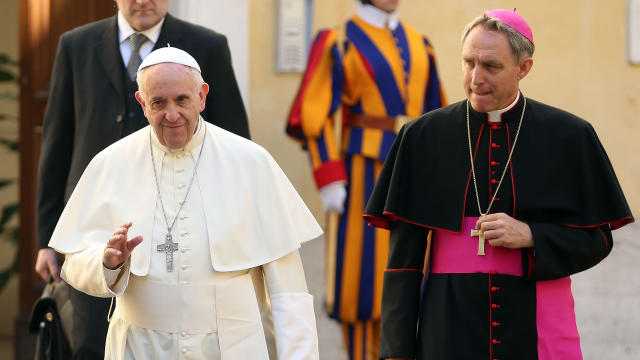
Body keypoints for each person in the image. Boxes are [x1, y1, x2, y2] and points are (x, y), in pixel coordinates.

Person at [363, 9, 634, 360]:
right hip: (447, 326)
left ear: (524, 68)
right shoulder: (422, 137)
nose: (476, 78)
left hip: (533, 320)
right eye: (468, 62)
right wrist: (395, 353)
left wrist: (533, 236)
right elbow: (403, 264)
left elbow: (597, 239)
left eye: (491, 66)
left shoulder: (569, 136)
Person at [48, 46, 322, 359]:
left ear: (202, 96)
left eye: (182, 100)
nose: (172, 114)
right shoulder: (110, 163)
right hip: (140, 348)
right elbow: (74, 263)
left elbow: (289, 293)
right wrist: (108, 263)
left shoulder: (251, 162)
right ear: (142, 103)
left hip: (231, 348)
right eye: (158, 102)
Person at [34, 0, 249, 357]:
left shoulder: (208, 45)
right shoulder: (76, 44)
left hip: (182, 219)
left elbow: (233, 140)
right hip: (96, 221)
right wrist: (47, 238)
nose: (143, 0)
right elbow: (57, 142)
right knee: (89, 341)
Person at [286, 1, 445, 358]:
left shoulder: (422, 44)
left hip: (415, 174)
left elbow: (438, 115)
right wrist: (329, 175)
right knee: (359, 281)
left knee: (414, 274)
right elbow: (316, 113)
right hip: (361, 175)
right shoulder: (339, 40)